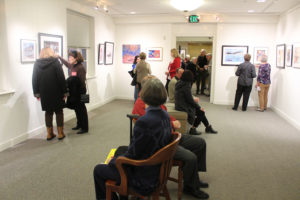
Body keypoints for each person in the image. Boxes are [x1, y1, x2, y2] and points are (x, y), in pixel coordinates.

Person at [93, 78, 172, 200]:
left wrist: (114, 162)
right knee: (120, 150)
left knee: (98, 170)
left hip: (144, 176)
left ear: (144, 95)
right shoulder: (165, 115)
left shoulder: (144, 122)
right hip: (157, 169)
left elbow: (132, 155)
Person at [133, 76, 210, 199]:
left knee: (200, 143)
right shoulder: (141, 104)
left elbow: (165, 115)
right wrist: (171, 124)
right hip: (163, 142)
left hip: (171, 135)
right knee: (191, 158)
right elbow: (153, 125)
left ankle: (194, 177)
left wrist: (173, 121)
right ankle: (190, 186)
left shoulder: (155, 102)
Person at [32, 48, 67, 140]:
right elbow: (61, 78)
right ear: (51, 53)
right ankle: (60, 133)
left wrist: (37, 93)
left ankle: (49, 134)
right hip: (57, 91)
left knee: (48, 112)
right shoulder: (55, 62)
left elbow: (34, 79)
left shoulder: (37, 64)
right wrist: (65, 92)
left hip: (44, 92)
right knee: (59, 112)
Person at [175, 70, 218, 135]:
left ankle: (208, 127)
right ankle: (193, 128)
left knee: (200, 111)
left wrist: (198, 106)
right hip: (183, 106)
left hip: (179, 105)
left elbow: (187, 98)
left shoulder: (180, 82)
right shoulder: (186, 85)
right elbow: (190, 100)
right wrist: (199, 107)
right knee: (201, 112)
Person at [59, 51, 89, 134]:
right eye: (69, 57)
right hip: (74, 91)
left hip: (80, 91)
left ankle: (85, 127)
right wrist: (59, 57)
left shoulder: (80, 68)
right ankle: (79, 124)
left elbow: (82, 82)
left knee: (81, 109)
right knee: (77, 109)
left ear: (76, 58)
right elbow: (66, 64)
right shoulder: (72, 65)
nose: (69, 59)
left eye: (71, 58)